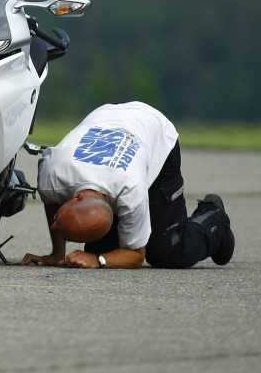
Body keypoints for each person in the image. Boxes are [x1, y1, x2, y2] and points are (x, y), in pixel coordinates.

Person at [21, 102, 235, 269]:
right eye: (59, 221)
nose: (53, 226)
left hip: (155, 131)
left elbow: (137, 256)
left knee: (164, 251)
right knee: (106, 248)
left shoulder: (131, 191)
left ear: (77, 197)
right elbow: (52, 201)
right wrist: (57, 254)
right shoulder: (53, 175)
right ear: (74, 197)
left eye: (57, 223)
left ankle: (214, 218)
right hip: (111, 116)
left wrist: (98, 260)